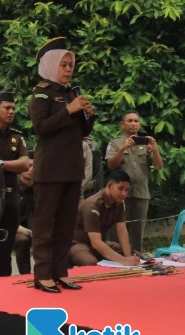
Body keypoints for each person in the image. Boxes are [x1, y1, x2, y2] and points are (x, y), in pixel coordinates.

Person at [29, 37, 94, 293]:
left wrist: (89, 114)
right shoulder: (41, 93)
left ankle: (60, 272)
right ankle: (42, 274)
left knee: (66, 225)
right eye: (63, 65)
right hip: (50, 170)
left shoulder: (71, 94)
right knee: (45, 224)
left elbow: (82, 132)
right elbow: (41, 128)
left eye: (71, 65)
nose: (68, 69)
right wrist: (68, 110)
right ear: (50, 65)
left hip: (72, 168)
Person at [106, 110, 163, 252]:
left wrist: (155, 151)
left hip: (141, 193)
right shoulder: (115, 142)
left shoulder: (146, 143)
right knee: (117, 231)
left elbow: (158, 166)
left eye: (136, 121)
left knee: (138, 233)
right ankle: (115, 258)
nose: (133, 124)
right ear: (122, 124)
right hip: (119, 196)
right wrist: (123, 148)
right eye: (130, 121)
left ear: (139, 124)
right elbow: (110, 165)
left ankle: (137, 258)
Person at [68, 171, 141, 267]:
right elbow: (96, 242)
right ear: (109, 186)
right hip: (79, 245)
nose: (124, 194)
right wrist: (124, 261)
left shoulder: (118, 203)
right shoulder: (92, 205)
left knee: (136, 256)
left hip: (102, 243)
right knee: (90, 263)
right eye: (120, 188)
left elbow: (122, 231)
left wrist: (128, 258)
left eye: (126, 190)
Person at [0, 89, 29, 276]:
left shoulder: (17, 137)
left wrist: (1, 164)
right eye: (6, 108)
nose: (11, 111)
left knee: (4, 252)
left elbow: (25, 163)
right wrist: (12, 165)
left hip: (10, 200)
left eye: (13, 108)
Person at [14, 150, 35, 274]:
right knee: (23, 240)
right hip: (14, 229)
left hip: (34, 227)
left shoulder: (41, 188)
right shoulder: (10, 188)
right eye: (28, 166)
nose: (31, 169)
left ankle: (46, 275)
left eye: (34, 166)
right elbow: (8, 221)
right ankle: (25, 275)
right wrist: (29, 232)